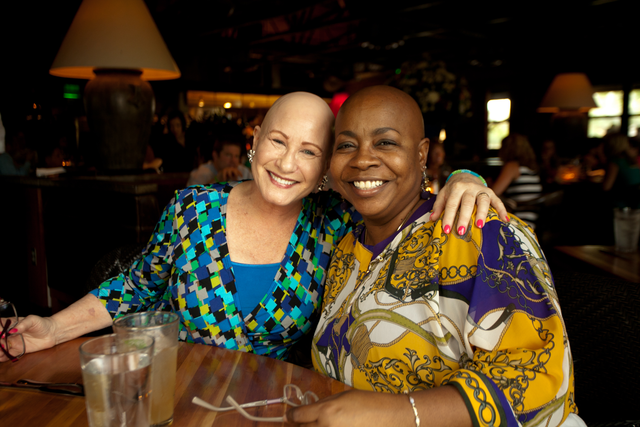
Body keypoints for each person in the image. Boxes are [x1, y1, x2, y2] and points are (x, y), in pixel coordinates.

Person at [1, 91, 506, 363]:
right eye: (278, 141)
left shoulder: (335, 222)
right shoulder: (191, 208)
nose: (287, 163)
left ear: (326, 166)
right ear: (255, 140)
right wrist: (49, 328)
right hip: (178, 399)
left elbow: (399, 200)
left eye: (309, 151)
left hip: (274, 411)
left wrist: (465, 176)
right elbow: (132, 287)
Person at [288, 86, 582, 427]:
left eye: (385, 142)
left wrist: (399, 414)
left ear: (422, 153)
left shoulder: (476, 229)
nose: (362, 159)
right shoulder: (345, 249)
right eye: (346, 145)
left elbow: (540, 373)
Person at [491, 133, 543, 229]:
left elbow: (492, 193)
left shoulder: (512, 166)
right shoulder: (531, 169)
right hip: (533, 220)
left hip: (518, 221)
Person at [187, 137, 253, 186]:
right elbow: (190, 200)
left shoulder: (244, 172)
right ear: (215, 156)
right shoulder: (201, 173)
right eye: (228, 155)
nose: (233, 160)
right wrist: (217, 179)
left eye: (236, 156)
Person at [602, 133, 640, 208]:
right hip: (636, 203)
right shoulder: (631, 160)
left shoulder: (616, 162)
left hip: (624, 205)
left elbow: (606, 187)